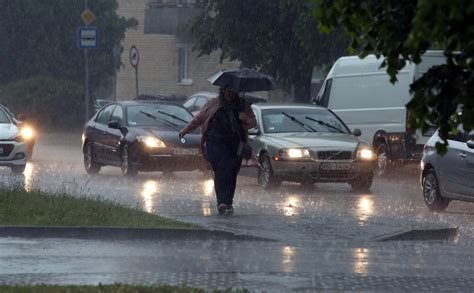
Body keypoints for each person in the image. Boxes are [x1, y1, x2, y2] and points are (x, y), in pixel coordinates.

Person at [179, 86, 257, 215]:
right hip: (215, 143)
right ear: (223, 91)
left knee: (231, 173)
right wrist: (185, 130)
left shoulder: (242, 105)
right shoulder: (214, 103)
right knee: (220, 171)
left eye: (233, 91)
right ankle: (221, 202)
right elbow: (199, 118)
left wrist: (246, 119)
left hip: (235, 144)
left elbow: (253, 123)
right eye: (228, 91)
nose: (230, 94)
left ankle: (228, 202)